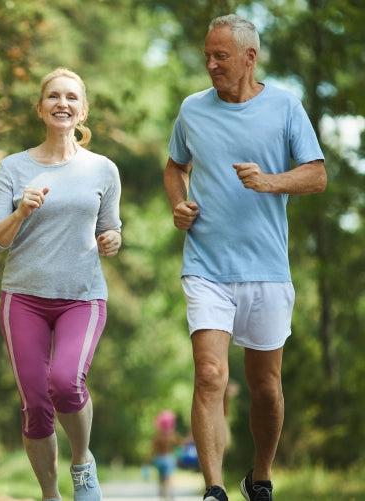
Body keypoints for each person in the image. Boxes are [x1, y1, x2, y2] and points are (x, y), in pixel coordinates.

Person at [163, 14, 326, 501]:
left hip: (267, 270)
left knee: (266, 389)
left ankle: (260, 477)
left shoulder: (285, 106)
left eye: (221, 57)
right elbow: (175, 167)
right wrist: (179, 203)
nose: (210, 64)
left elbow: (316, 176)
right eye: (207, 56)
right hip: (207, 265)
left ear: (250, 58)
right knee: (210, 373)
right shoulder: (193, 109)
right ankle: (213, 489)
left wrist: (270, 181)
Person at [0, 67, 122, 501]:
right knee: (35, 405)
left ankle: (82, 465)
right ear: (40, 108)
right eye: (54, 97)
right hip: (23, 298)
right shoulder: (13, 167)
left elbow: (110, 229)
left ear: (83, 110)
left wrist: (113, 238)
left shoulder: (102, 169)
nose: (63, 103)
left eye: (72, 97)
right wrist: (20, 212)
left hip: (81, 298)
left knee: (65, 382)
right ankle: (50, 495)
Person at [146, 410, 183, 501]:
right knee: (168, 478)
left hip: (159, 459)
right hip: (169, 458)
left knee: (161, 477)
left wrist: (147, 460)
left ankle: (162, 494)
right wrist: (178, 455)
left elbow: (152, 450)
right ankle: (169, 495)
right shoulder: (172, 435)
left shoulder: (157, 436)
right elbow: (181, 444)